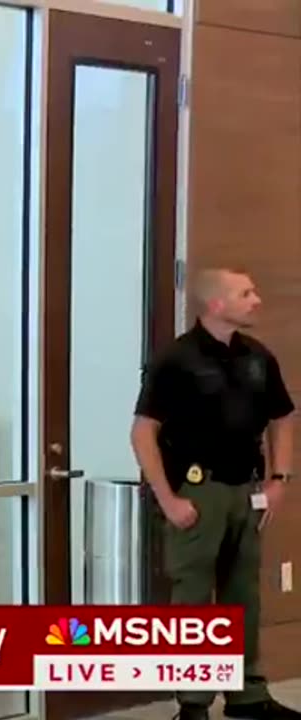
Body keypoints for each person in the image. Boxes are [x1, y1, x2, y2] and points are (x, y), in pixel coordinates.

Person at [131, 268, 299, 720]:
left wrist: (279, 479)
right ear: (216, 305)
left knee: (244, 593)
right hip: (196, 492)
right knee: (193, 599)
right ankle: (193, 703)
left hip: (247, 489)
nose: (257, 300)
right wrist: (167, 499)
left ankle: (248, 695)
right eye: (246, 293)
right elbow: (144, 432)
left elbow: (283, 417)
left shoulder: (257, 358)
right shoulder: (177, 360)